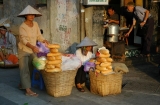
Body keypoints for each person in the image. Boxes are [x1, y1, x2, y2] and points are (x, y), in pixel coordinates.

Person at [17, 5, 49, 96]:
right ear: (26, 16)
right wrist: (32, 46)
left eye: (33, 15)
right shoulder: (22, 27)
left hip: (32, 50)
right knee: (24, 70)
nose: (32, 16)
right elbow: (23, 40)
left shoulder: (35, 24)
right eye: (30, 14)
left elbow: (39, 35)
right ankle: (28, 90)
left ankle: (22, 84)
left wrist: (44, 40)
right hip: (23, 50)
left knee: (31, 68)